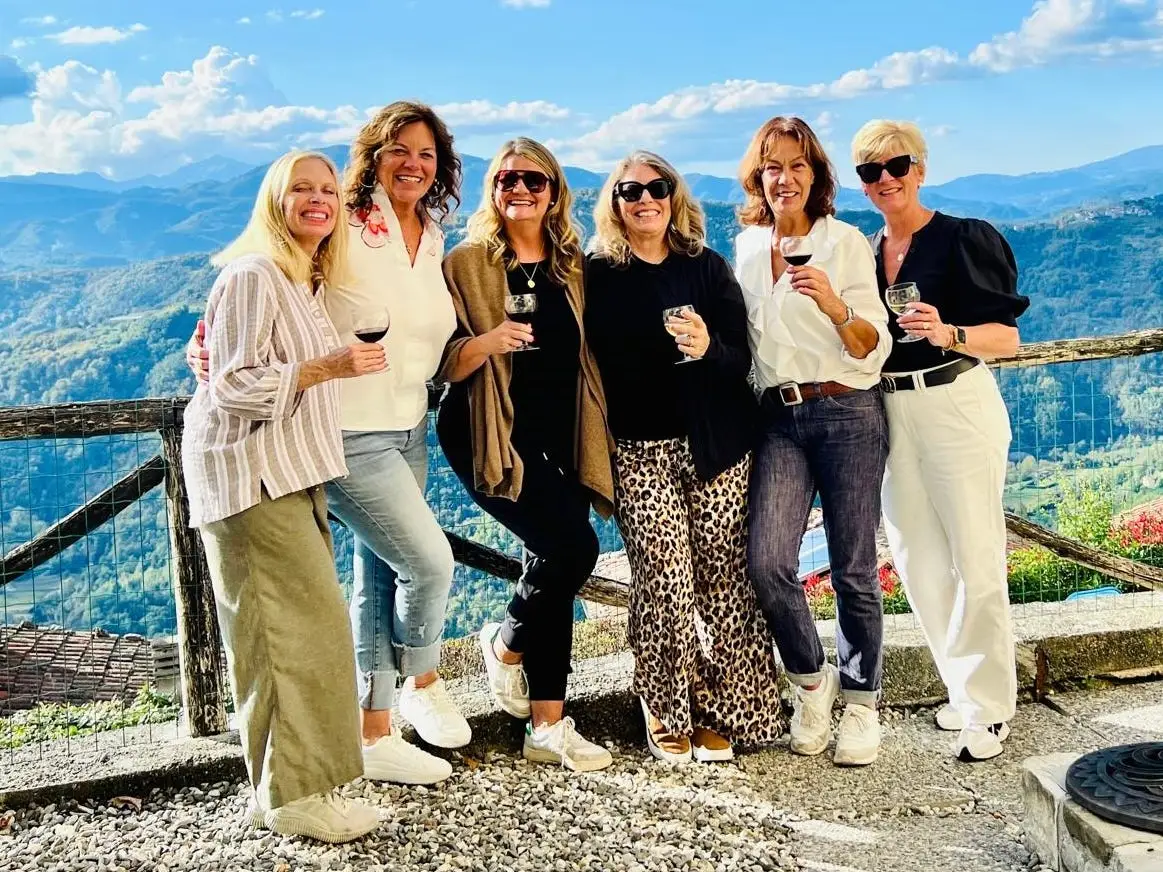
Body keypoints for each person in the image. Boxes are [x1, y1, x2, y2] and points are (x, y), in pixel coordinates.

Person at [187, 101, 469, 786]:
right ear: (372, 154)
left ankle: (375, 737)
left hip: (408, 423)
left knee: (380, 575)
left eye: (427, 153)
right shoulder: (342, 219)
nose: (413, 163)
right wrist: (203, 346)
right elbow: (269, 280)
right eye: (399, 149)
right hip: (342, 427)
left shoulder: (430, 233)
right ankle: (420, 677)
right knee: (428, 562)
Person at [182, 150, 382, 842]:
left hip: (286, 474)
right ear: (275, 200)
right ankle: (294, 799)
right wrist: (328, 366)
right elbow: (232, 386)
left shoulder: (299, 276)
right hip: (251, 478)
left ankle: (279, 787)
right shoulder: (254, 274)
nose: (318, 198)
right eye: (301, 188)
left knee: (295, 635)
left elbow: (225, 358)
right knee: (290, 637)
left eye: (327, 189)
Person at [585, 150, 783, 763]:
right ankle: (667, 705)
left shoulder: (706, 267)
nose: (645, 199)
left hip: (717, 444)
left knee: (725, 579)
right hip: (640, 449)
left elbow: (740, 358)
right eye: (630, 190)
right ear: (614, 204)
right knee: (664, 578)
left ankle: (732, 708)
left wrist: (707, 348)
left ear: (675, 197)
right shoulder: (598, 274)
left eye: (657, 187)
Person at [851, 119, 1029, 762]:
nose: (885, 179)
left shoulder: (962, 239)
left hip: (956, 400)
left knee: (975, 556)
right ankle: (961, 686)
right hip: (892, 413)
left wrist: (948, 330)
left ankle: (989, 708)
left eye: (895, 165)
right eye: (870, 172)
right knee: (917, 561)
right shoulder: (866, 253)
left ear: (920, 168)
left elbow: (1007, 340)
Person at [436, 137, 614, 772]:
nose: (520, 189)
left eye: (533, 180)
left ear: (554, 191)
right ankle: (546, 723)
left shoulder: (573, 266)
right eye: (507, 179)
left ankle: (509, 648)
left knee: (556, 553)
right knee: (574, 549)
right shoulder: (467, 265)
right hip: (486, 433)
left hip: (556, 437)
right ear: (493, 189)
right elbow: (446, 364)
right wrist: (488, 341)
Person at [735, 116, 892, 767]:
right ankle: (809, 680)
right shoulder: (744, 247)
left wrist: (832, 304)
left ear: (815, 175)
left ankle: (860, 703)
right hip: (777, 421)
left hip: (847, 410)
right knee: (768, 562)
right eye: (773, 165)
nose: (784, 177)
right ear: (758, 175)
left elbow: (872, 347)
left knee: (853, 568)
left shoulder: (844, 242)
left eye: (797, 165)